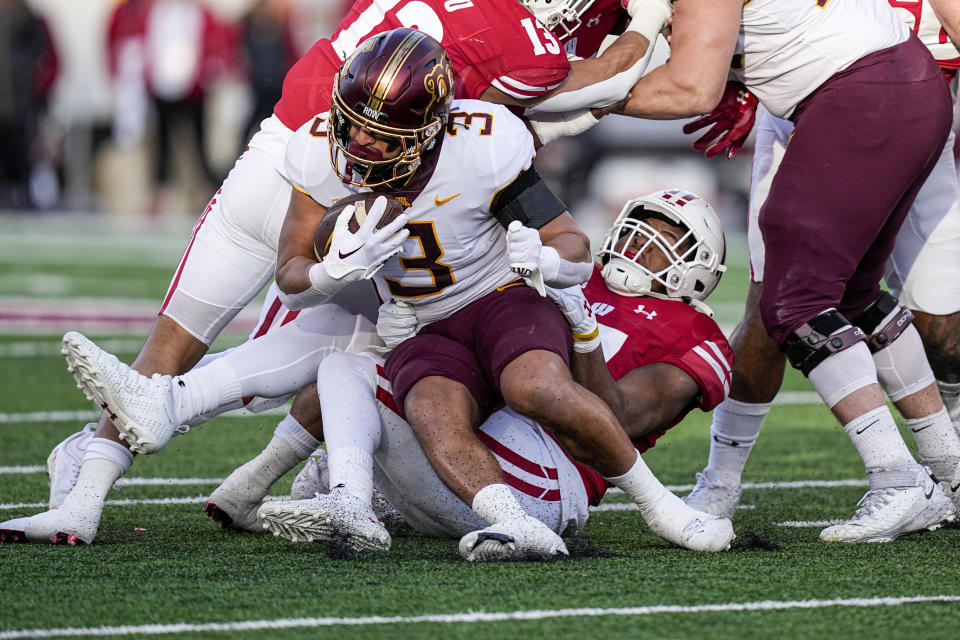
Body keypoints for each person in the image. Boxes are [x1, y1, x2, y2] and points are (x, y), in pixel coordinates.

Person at [1, 0, 674, 546]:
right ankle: (310, 474)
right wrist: (646, 21)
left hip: (294, 146)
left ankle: (90, 491)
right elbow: (597, 86)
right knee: (352, 345)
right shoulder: (520, 36)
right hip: (370, 177)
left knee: (179, 343)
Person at [266, 28, 732, 557]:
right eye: (352, 126)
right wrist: (332, 275)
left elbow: (567, 238)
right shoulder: (316, 154)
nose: (359, 146)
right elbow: (290, 275)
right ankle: (508, 522)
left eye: (386, 136)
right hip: (426, 319)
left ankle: (661, 507)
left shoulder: (481, 146)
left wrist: (551, 262)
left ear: (428, 130)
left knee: (532, 384)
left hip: (498, 296)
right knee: (428, 405)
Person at [618, 0, 956, 542]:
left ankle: (900, 479)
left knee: (795, 302)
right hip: (880, 77)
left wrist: (568, 101)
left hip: (862, 86)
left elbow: (691, 89)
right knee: (849, 294)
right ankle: (948, 467)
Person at [258, 188, 733, 560]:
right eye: (633, 232)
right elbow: (473, 351)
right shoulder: (571, 273)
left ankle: (342, 492)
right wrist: (408, 330)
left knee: (353, 371)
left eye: (659, 244)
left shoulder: (697, 334)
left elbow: (623, 418)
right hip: (486, 448)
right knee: (365, 364)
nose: (636, 247)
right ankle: (339, 492)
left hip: (550, 473)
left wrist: (584, 334)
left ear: (699, 268)